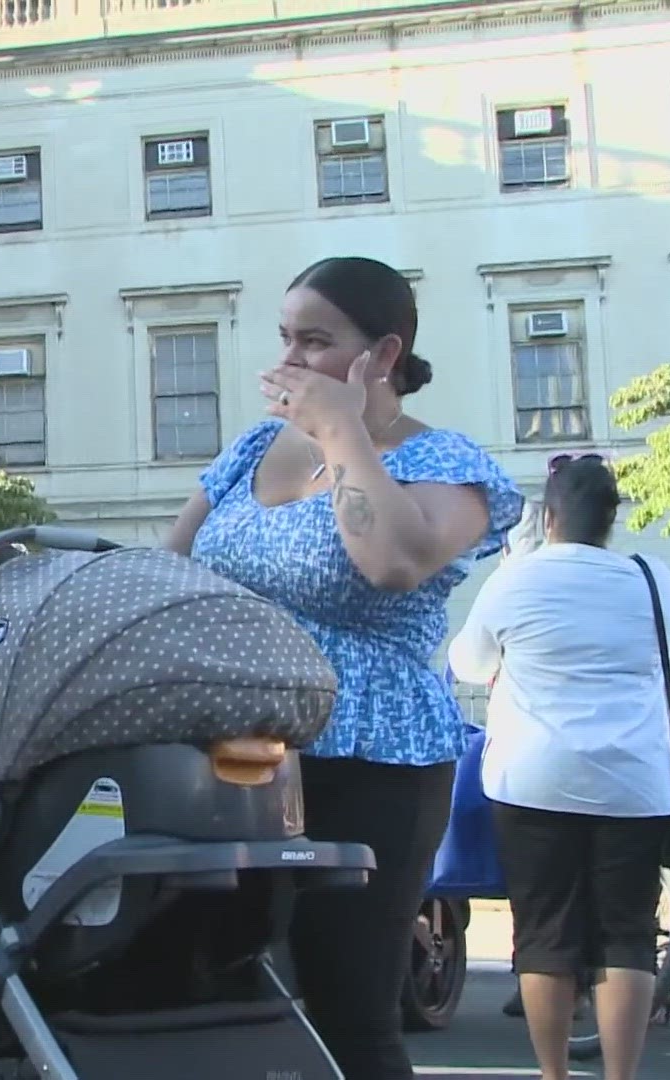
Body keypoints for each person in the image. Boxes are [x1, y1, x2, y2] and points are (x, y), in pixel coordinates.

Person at [166, 255, 524, 1080]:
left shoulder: (444, 463)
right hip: (233, 757)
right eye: (285, 338)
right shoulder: (254, 447)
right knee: (212, 992)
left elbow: (393, 560)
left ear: (383, 355)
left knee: (348, 1009)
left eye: (316, 342)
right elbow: (172, 568)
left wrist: (341, 430)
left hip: (370, 758)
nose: (289, 361)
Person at [447, 455, 670, 1080]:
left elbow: (470, 662)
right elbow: (666, 663)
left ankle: (554, 1074)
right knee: (626, 936)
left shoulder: (517, 579)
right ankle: (620, 1075)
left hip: (533, 778)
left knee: (544, 936)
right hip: (634, 782)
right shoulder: (652, 577)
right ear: (611, 520)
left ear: (547, 517)